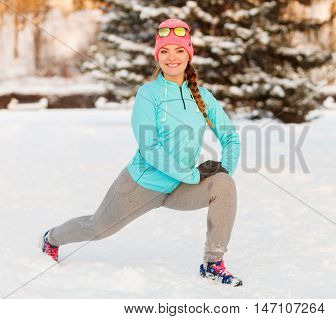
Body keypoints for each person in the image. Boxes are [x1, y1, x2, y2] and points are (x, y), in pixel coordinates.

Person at [41, 18, 242, 287]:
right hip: (142, 184)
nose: (172, 58)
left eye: (179, 50)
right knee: (99, 227)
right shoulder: (149, 94)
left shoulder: (202, 96)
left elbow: (229, 136)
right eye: (165, 51)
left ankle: (213, 263)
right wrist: (191, 174)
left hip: (180, 187)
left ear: (189, 54)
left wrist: (224, 167)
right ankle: (51, 237)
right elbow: (150, 148)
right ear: (157, 56)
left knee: (224, 184)